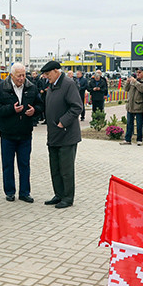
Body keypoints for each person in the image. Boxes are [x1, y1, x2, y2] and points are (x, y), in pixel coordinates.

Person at [0, 63, 43, 203]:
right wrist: (11, 109)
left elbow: (40, 104)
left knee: (24, 164)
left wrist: (35, 111)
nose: (22, 78)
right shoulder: (1, 88)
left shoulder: (31, 87)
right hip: (7, 134)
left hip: (25, 133)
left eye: (24, 75)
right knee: (8, 165)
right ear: (12, 75)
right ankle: (9, 192)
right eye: (19, 76)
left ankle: (24, 192)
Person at [41, 61, 83, 209]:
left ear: (55, 71)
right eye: (45, 75)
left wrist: (62, 122)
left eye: (48, 74)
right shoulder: (52, 86)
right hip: (53, 135)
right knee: (55, 168)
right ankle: (58, 194)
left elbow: (77, 107)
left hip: (66, 134)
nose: (46, 77)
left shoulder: (68, 84)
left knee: (66, 169)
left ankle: (67, 198)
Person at [121, 69, 143, 145]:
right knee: (129, 124)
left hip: (138, 106)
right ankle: (127, 139)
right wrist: (128, 82)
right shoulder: (133, 80)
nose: (138, 74)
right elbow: (126, 89)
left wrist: (135, 82)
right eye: (137, 72)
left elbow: (142, 89)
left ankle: (139, 140)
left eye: (140, 72)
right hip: (130, 106)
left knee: (139, 124)